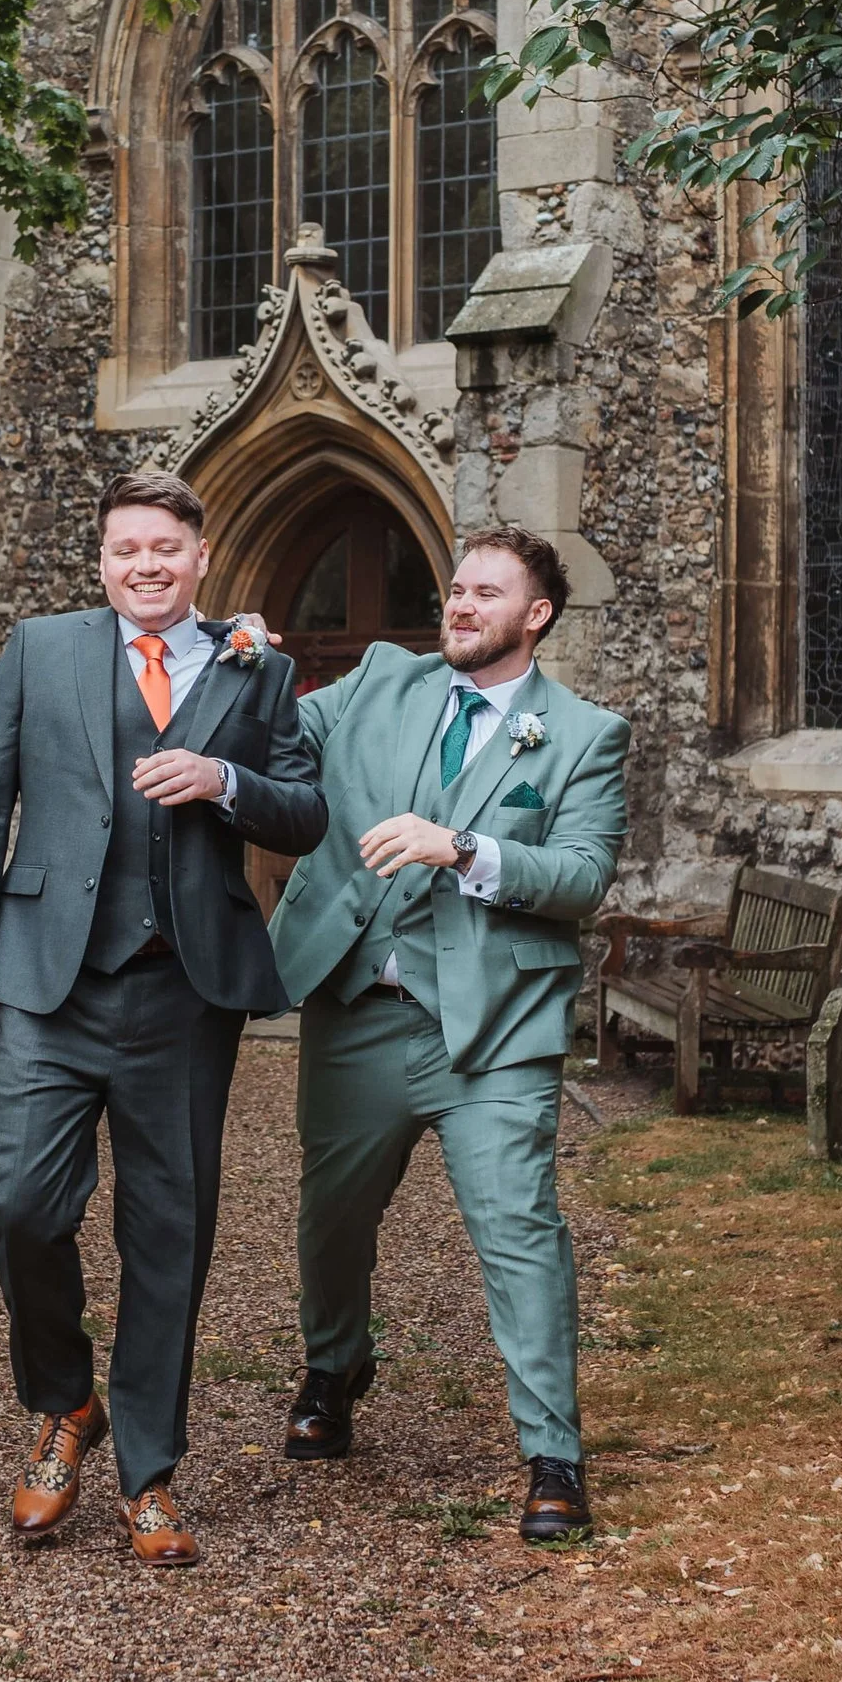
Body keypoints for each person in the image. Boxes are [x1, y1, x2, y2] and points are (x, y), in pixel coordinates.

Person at [0, 472, 328, 1567]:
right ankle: (65, 1400)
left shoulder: (259, 668)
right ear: (100, 561)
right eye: (123, 550)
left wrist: (223, 778)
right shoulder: (40, 648)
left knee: (169, 1235)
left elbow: (306, 811)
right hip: (43, 981)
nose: (144, 565)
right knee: (17, 1201)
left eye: (164, 547)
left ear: (201, 556)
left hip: (181, 990)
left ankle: (147, 1472)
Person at [265, 525, 630, 1543]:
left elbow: (579, 878)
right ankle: (333, 1365)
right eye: (455, 587)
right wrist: (239, 654)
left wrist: (462, 845)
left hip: (494, 1027)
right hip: (358, 1013)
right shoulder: (379, 681)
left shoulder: (585, 734)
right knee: (330, 1220)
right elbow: (275, 741)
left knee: (519, 1231)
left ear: (536, 615)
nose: (460, 604)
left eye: (485, 592)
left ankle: (551, 1454)